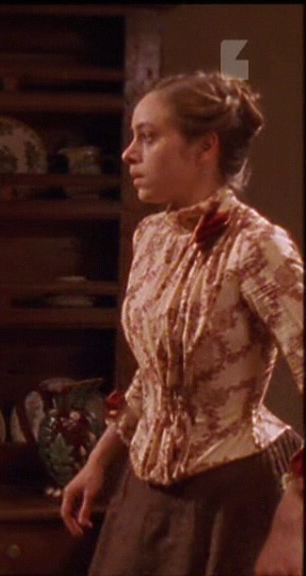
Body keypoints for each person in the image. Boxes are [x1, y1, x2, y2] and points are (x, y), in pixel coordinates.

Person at [60, 70, 303, 576]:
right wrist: (99, 461)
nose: (129, 153)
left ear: (205, 147)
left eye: (148, 137)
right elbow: (155, 372)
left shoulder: (257, 245)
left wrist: (292, 523)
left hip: (235, 492)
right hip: (147, 491)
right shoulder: (152, 237)